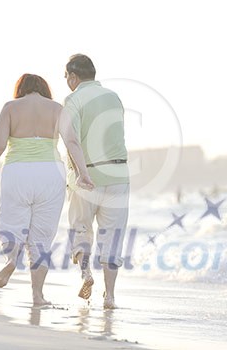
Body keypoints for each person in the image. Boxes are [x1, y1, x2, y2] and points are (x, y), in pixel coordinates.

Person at [0, 73, 94, 306]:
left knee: (10, 222)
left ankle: (10, 259)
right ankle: (38, 296)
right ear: (44, 89)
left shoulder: (10, 107)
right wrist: (83, 173)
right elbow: (72, 143)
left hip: (17, 172)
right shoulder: (57, 109)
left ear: (21, 89)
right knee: (41, 239)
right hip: (51, 173)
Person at [63, 54, 130, 309]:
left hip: (87, 173)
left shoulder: (73, 99)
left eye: (66, 76)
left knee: (80, 228)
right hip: (118, 174)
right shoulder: (113, 97)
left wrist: (81, 172)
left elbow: (71, 140)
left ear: (73, 76)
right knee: (112, 237)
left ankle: (85, 273)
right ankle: (110, 296)